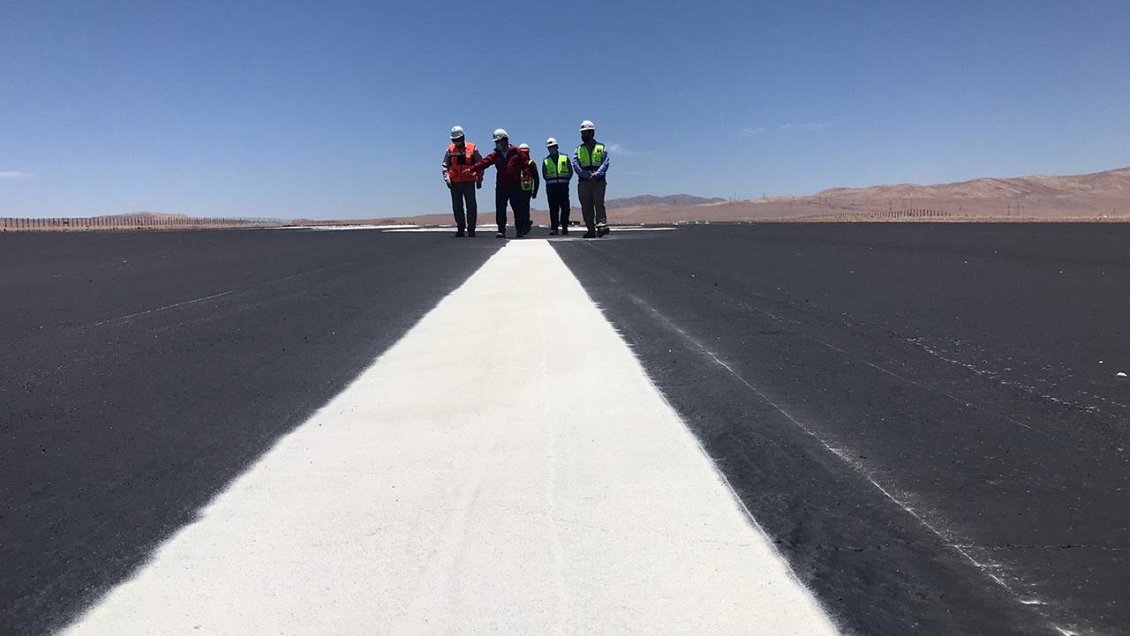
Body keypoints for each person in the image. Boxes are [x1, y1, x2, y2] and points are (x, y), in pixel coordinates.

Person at [471, 129, 529, 238]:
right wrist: (472, 169)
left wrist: (526, 176)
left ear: (505, 140)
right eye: (496, 142)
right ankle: (501, 230)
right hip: (501, 186)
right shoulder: (496, 154)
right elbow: (485, 162)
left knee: (517, 208)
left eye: (498, 142)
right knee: (500, 208)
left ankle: (519, 230)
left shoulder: (517, 152)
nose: (497, 144)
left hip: (515, 185)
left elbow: (526, 164)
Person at [441, 125, 483, 237]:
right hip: (455, 183)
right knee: (457, 206)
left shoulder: (472, 148)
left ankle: (471, 229)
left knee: (471, 206)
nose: (456, 142)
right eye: (454, 140)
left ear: (463, 137)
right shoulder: (450, 149)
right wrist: (447, 179)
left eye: (458, 140)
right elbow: (445, 165)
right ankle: (460, 228)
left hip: (469, 182)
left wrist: (479, 179)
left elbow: (480, 164)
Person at [572, 120, 610, 238]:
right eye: (582, 133)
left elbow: (605, 162)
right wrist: (586, 175)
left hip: (598, 181)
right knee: (586, 206)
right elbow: (575, 164)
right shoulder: (578, 149)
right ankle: (590, 230)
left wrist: (597, 174)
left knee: (599, 204)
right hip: (584, 182)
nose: (583, 135)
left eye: (586, 133)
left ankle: (601, 226)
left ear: (592, 133)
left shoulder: (601, 147)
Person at [542, 137, 573, 235]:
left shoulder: (565, 158)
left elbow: (570, 171)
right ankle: (554, 228)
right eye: (550, 147)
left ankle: (564, 227)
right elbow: (544, 174)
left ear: (557, 146)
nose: (552, 149)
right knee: (553, 208)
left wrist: (566, 180)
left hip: (563, 186)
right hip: (551, 187)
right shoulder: (546, 161)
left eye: (553, 147)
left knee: (565, 207)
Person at [516, 143, 539, 237]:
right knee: (518, 210)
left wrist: (535, 192)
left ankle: (525, 226)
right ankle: (520, 229)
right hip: (517, 190)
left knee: (525, 210)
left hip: (527, 191)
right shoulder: (516, 163)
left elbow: (536, 178)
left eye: (526, 153)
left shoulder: (531, 164)